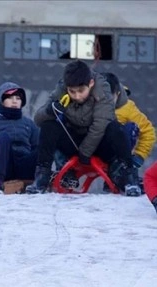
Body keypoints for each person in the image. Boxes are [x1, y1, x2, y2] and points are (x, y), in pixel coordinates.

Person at [25, 60, 140, 196]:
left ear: (90, 83)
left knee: (115, 128)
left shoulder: (102, 89)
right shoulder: (61, 89)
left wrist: (84, 153)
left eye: (81, 91)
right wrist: (50, 111)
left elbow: (100, 125)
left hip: (100, 144)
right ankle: (42, 176)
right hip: (74, 141)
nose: (77, 96)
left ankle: (128, 177)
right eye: (72, 91)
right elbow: (38, 120)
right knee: (49, 126)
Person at [0, 82, 39, 194]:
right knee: (3, 137)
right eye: (10, 98)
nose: (15, 101)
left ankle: (43, 180)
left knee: (44, 141)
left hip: (23, 165)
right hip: (0, 167)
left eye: (18, 98)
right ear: (1, 100)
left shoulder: (28, 123)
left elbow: (37, 147)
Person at [103, 72, 155, 172]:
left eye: (109, 98)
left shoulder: (127, 108)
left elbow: (148, 131)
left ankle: (121, 173)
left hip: (117, 151)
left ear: (117, 94)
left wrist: (139, 155)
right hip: (92, 148)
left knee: (128, 127)